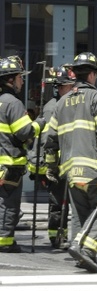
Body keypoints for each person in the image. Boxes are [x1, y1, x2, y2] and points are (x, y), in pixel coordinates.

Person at [44, 52, 97, 273]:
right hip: (95, 169)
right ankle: (87, 250)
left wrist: (51, 167)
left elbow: (50, 140)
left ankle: (79, 252)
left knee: (80, 212)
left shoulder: (62, 103)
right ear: (91, 74)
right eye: (96, 74)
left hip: (71, 172)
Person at [0, 56, 46, 253]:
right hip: (9, 164)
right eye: (20, 77)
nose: (22, 81)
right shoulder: (13, 103)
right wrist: (39, 123)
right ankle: (5, 242)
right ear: (12, 79)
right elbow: (24, 133)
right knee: (9, 205)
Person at [27, 65, 75, 249]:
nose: (72, 89)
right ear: (61, 87)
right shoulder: (52, 108)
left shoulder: (62, 104)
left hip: (64, 162)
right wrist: (50, 166)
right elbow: (47, 139)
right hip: (55, 164)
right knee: (58, 202)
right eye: (69, 86)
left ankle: (60, 235)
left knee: (63, 201)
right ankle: (56, 237)